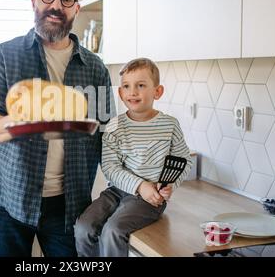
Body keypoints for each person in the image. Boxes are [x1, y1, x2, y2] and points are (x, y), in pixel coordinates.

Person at [0, 0, 114, 257]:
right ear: (34, 1)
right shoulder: (6, 56)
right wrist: (23, 120)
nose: (56, 5)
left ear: (76, 8)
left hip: (67, 206)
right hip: (9, 201)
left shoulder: (95, 69)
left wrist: (138, 184)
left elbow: (109, 140)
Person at [74, 58, 192, 257]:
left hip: (149, 199)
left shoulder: (169, 125)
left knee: (113, 230)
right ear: (120, 93)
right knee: (83, 227)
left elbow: (184, 160)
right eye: (126, 86)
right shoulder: (114, 126)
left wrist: (170, 184)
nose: (133, 92)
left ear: (158, 91)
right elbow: (111, 167)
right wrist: (139, 186)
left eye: (141, 85)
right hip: (116, 192)